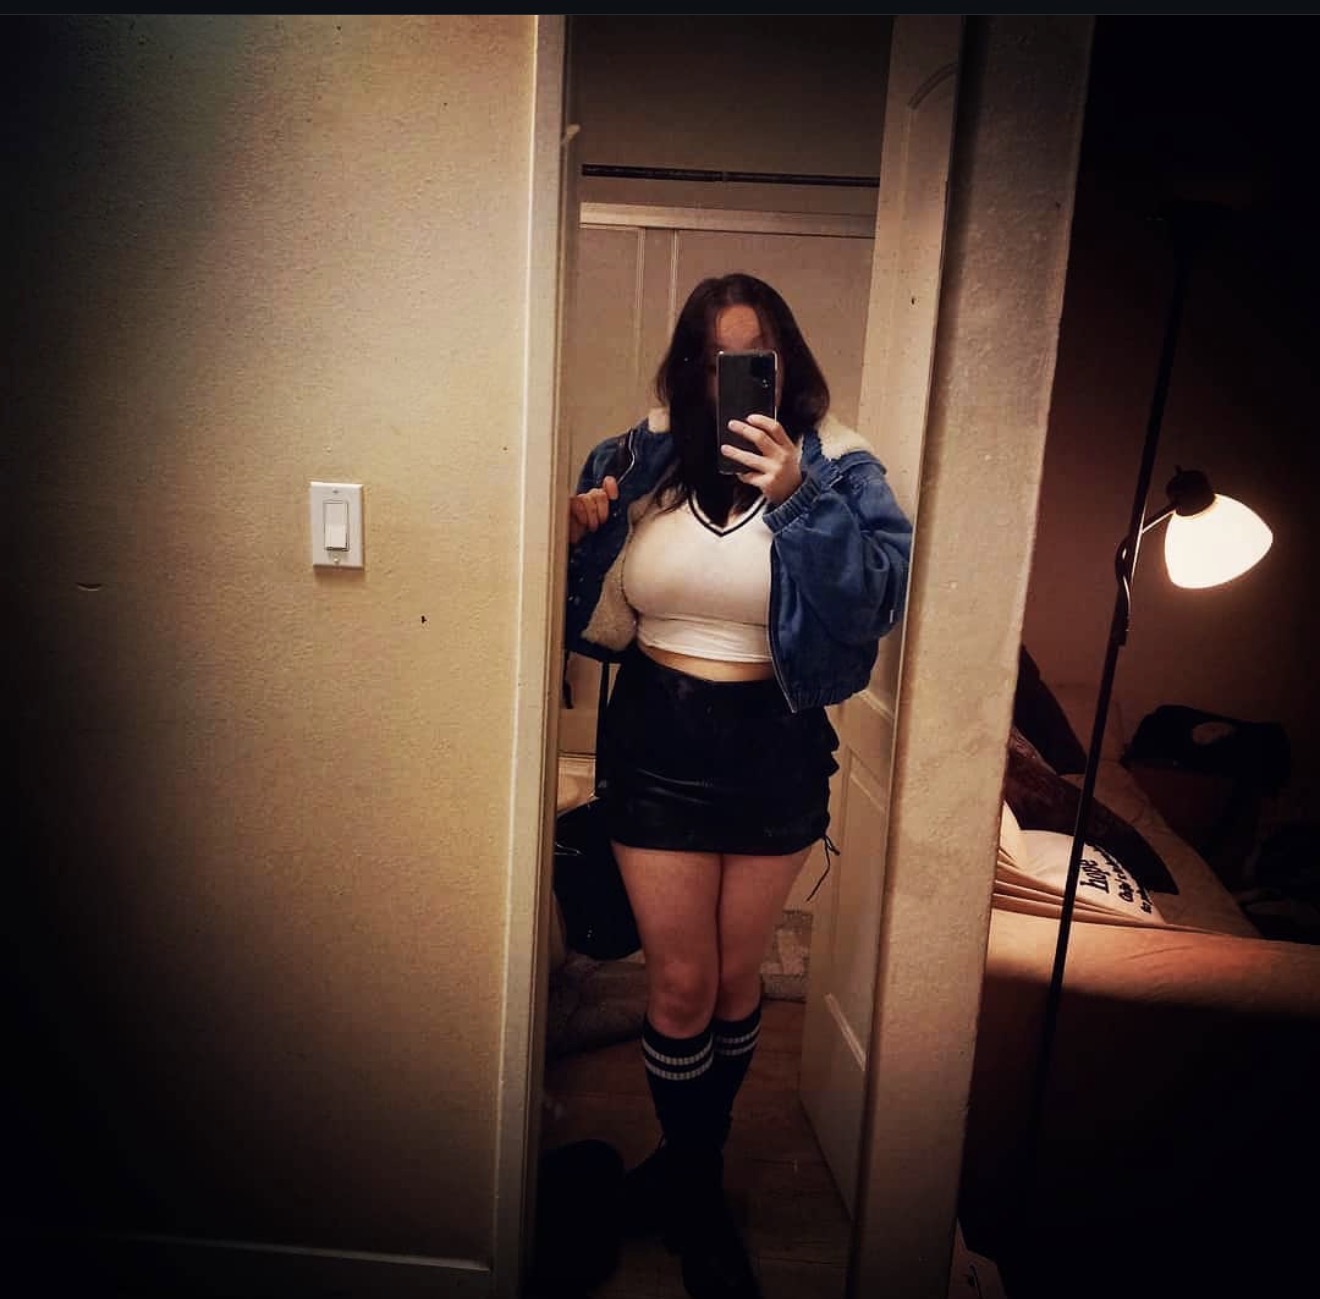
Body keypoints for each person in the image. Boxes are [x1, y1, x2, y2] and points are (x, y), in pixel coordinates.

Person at [564, 272, 912, 1299]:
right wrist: (579, 537)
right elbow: (584, 613)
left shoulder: (839, 464)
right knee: (679, 983)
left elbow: (876, 599)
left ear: (785, 357)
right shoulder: (634, 457)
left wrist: (799, 496)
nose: (732, 374)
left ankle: (686, 1174)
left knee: (730, 980)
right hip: (657, 738)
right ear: (690, 364)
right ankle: (699, 1189)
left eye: (752, 353)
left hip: (774, 744)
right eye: (714, 356)